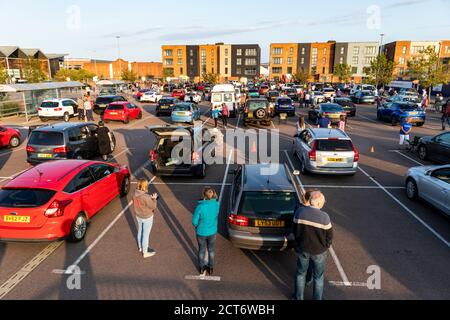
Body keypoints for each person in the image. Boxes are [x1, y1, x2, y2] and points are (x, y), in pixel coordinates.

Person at [292, 191, 333, 300]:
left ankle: (298, 297)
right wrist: (326, 246)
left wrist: (298, 242)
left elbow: (295, 230)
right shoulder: (325, 217)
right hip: (319, 251)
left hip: (303, 248)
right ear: (319, 203)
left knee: (300, 274)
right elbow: (329, 236)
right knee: (318, 277)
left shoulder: (300, 212)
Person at [192, 187, 220, 276]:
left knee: (202, 250)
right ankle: (211, 268)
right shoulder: (216, 204)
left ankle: (201, 268)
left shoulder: (200, 206)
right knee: (211, 250)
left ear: (204, 195)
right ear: (213, 194)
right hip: (212, 231)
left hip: (201, 232)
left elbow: (194, 221)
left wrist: (197, 226)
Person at [133, 180, 158, 259]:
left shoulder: (134, 194)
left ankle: (140, 247)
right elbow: (153, 207)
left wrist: (149, 198)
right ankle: (145, 252)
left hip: (138, 216)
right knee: (146, 235)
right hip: (147, 217)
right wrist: (154, 199)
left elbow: (141, 201)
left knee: (140, 231)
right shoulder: (146, 197)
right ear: (145, 186)